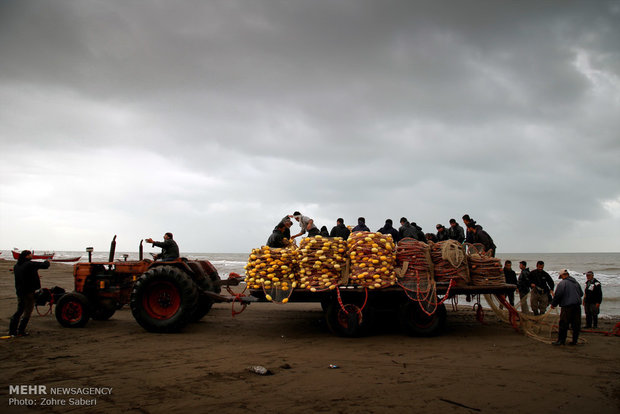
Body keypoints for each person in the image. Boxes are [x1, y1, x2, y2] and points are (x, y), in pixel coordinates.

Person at [9, 250, 50, 337]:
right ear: (27, 256)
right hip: (29, 292)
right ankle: (20, 330)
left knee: (20, 310)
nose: (32, 255)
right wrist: (47, 261)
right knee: (27, 311)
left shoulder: (16, 266)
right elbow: (44, 266)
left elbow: (25, 275)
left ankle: (13, 331)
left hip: (20, 291)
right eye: (30, 254)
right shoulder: (29, 264)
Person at [551, 269, 583, 346]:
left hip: (567, 307)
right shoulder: (576, 283)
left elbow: (558, 295)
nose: (561, 278)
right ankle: (574, 341)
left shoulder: (562, 283)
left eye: (561, 276)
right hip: (577, 307)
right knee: (576, 325)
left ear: (563, 275)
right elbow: (581, 294)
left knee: (563, 324)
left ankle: (561, 341)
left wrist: (553, 304)